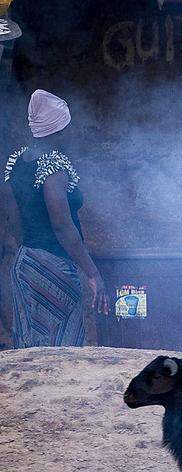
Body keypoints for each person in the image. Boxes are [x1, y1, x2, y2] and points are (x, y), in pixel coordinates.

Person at [1, 89, 106, 348]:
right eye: (66, 128)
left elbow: (13, 218)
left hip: (25, 266)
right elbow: (62, 225)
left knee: (31, 351)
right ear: (58, 131)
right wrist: (93, 273)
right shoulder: (54, 169)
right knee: (63, 351)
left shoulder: (16, 162)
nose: (68, 134)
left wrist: (30, 251)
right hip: (54, 270)